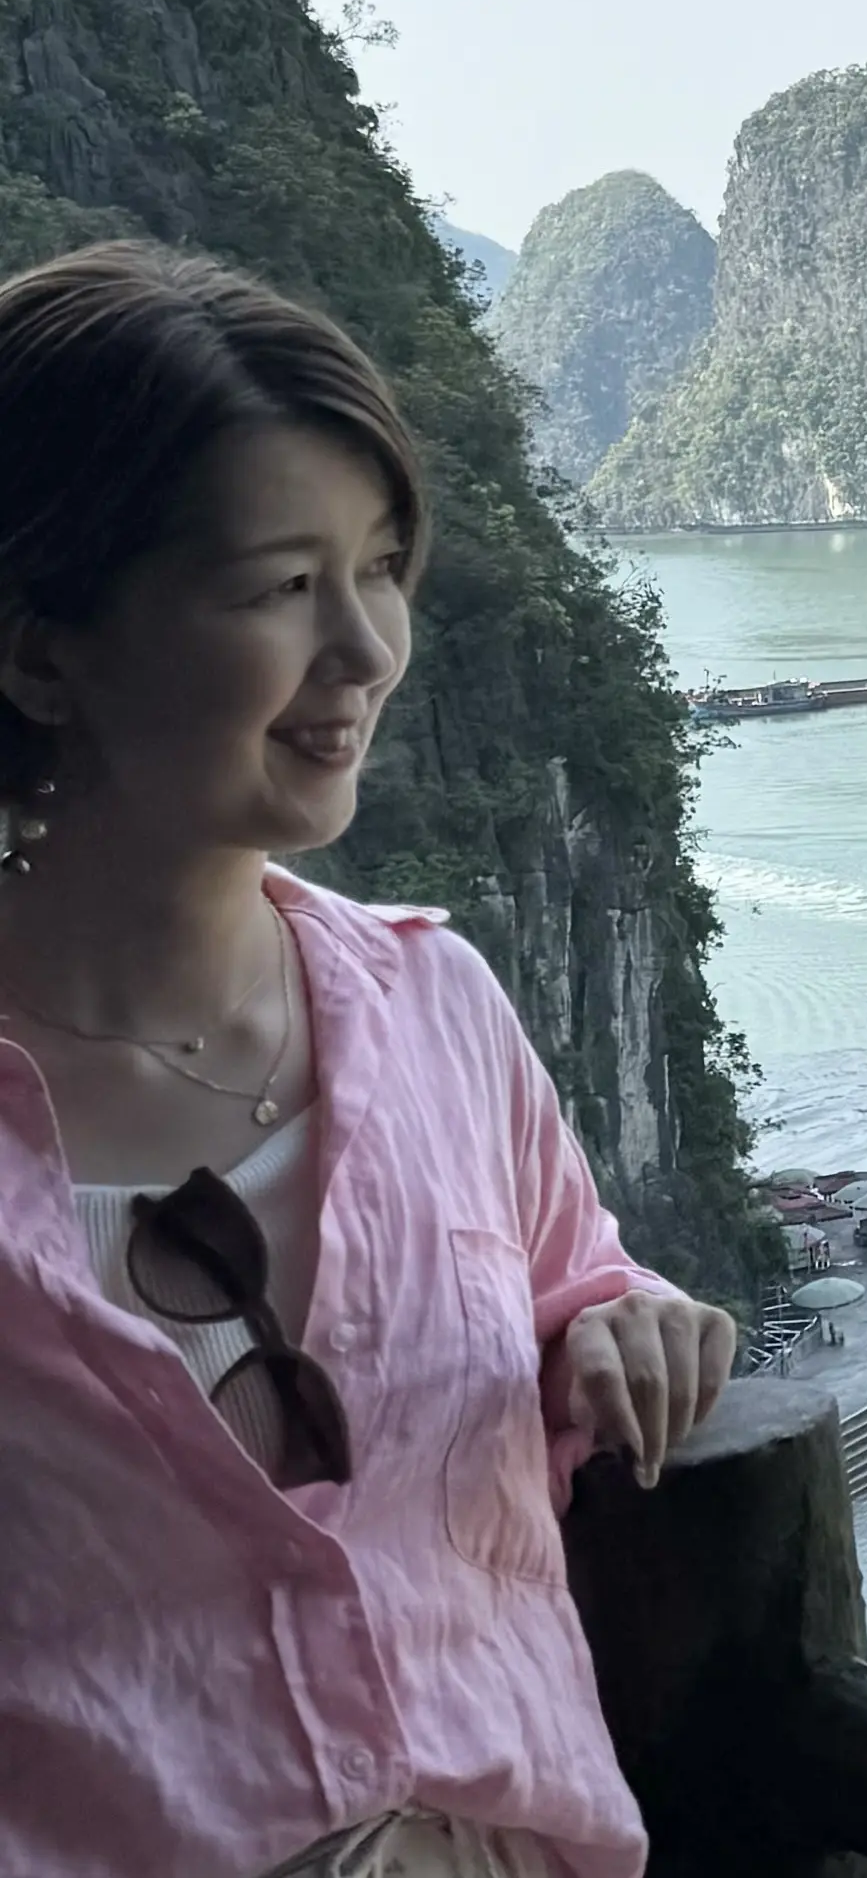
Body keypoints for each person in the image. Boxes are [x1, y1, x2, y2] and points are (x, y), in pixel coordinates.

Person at [0, 242, 734, 1878]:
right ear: (45, 650)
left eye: (383, 568)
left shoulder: (438, 1012)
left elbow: (571, 1286)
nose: (368, 649)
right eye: (281, 586)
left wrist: (617, 1325)